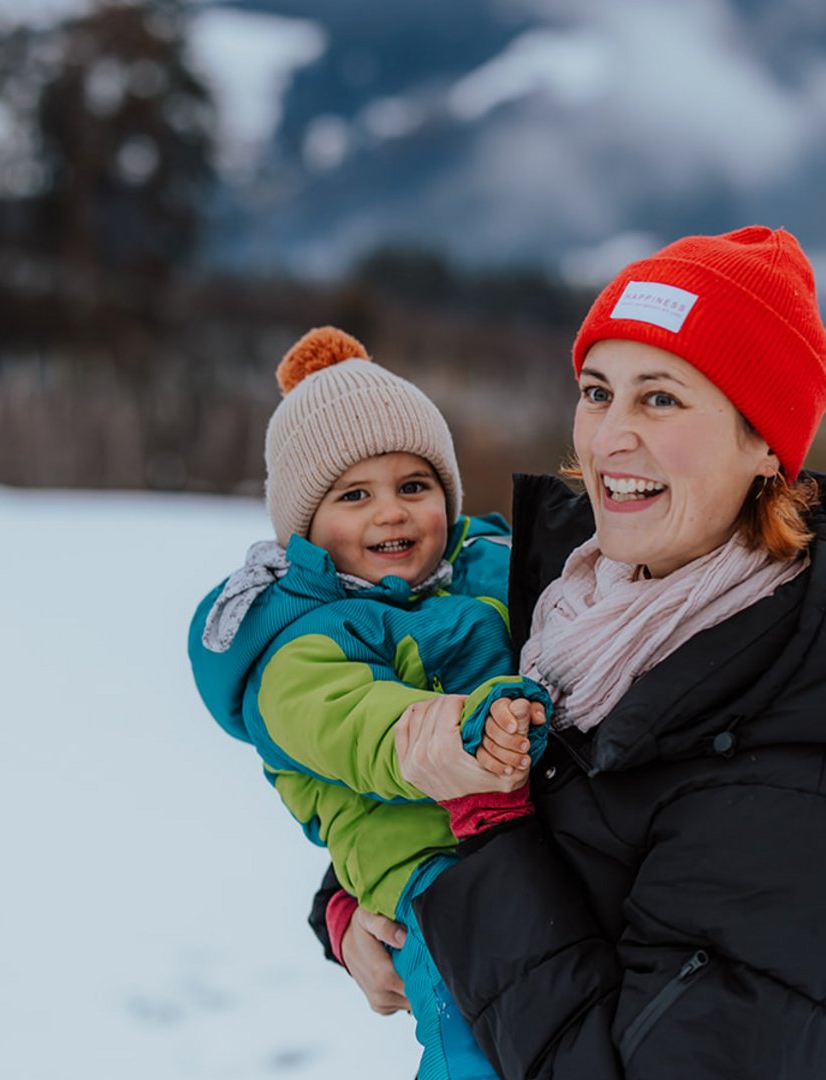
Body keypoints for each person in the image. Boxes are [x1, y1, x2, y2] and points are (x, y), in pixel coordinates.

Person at [314, 227, 826, 1077]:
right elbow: (550, 839)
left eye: (661, 399)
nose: (609, 438)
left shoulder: (806, 791)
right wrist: (350, 914)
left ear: (764, 444)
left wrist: (486, 831)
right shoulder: (571, 614)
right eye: (597, 391)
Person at [189, 326, 553, 1080]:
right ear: (304, 530)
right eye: (355, 495)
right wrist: (466, 731)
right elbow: (365, 726)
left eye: (413, 487)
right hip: (424, 881)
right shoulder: (295, 649)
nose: (391, 513)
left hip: (527, 854)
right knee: (476, 1045)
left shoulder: (485, 571)